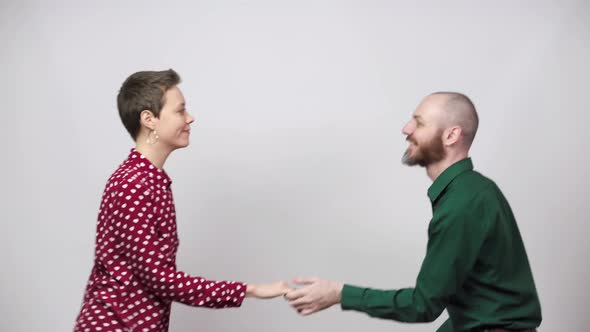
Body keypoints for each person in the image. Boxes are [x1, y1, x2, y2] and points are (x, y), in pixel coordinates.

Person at [285, 92, 542, 332]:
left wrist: (339, 293)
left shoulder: (462, 205)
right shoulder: (474, 191)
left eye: (419, 123)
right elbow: (481, 303)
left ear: (451, 135)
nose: (406, 129)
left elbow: (423, 305)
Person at [74, 69, 290, 332]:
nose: (190, 118)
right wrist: (250, 290)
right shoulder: (132, 183)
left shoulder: (152, 179)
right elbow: (160, 279)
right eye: (180, 111)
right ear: (149, 119)